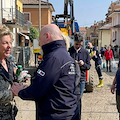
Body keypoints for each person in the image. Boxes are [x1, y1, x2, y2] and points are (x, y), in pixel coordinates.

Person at [10, 24, 80, 120]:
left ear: (47, 36)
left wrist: (20, 92)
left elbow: (38, 89)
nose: (39, 44)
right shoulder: (64, 55)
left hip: (55, 115)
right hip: (66, 113)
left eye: (39, 39)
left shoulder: (54, 58)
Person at [0, 24, 18, 120]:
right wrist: (12, 93)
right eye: (5, 43)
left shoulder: (9, 61)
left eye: (10, 42)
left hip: (10, 114)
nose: (9, 46)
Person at [68, 33, 91, 99]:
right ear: (74, 41)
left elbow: (88, 66)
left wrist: (83, 64)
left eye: (80, 44)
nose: (78, 46)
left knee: (78, 99)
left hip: (81, 79)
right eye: (76, 44)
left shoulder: (85, 52)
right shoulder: (69, 51)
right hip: (71, 78)